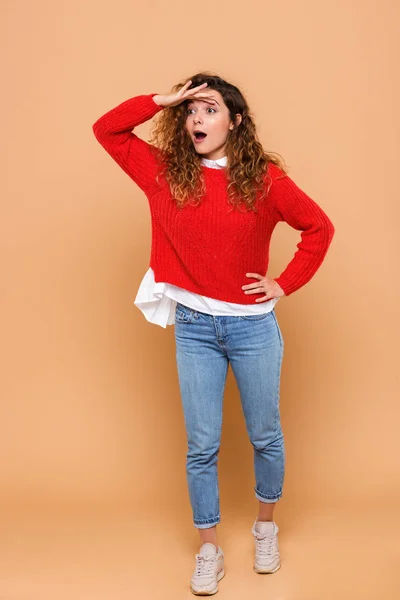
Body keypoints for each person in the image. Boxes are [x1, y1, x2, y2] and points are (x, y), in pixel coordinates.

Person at [92, 72, 335, 596]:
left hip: (252, 328)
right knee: (201, 445)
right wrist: (162, 99)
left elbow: (319, 227)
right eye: (190, 111)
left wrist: (284, 283)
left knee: (264, 435)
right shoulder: (163, 173)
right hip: (195, 329)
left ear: (236, 120)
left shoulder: (265, 180)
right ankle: (208, 549)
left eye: (208, 110)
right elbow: (107, 130)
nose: (195, 119)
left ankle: (265, 526)